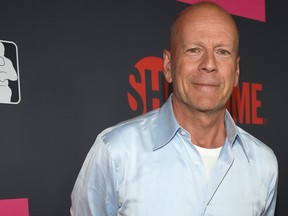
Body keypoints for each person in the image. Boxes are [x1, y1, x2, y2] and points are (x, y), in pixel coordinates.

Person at [70, 2, 278, 215]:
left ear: (236, 71)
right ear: (168, 65)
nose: (208, 64)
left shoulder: (263, 164)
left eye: (223, 52)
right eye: (194, 50)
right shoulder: (116, 152)